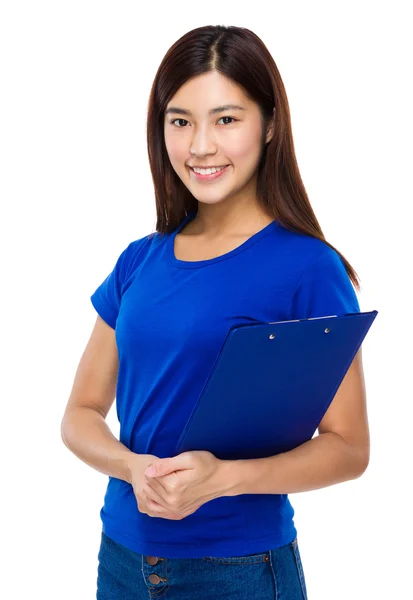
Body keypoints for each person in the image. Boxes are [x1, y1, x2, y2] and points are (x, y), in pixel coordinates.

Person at [61, 24, 370, 600]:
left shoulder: (308, 268)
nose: (200, 145)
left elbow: (349, 448)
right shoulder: (139, 261)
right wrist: (132, 468)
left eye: (226, 119)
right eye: (181, 121)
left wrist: (224, 480)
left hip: (238, 571)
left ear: (270, 123)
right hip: (122, 562)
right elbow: (79, 413)